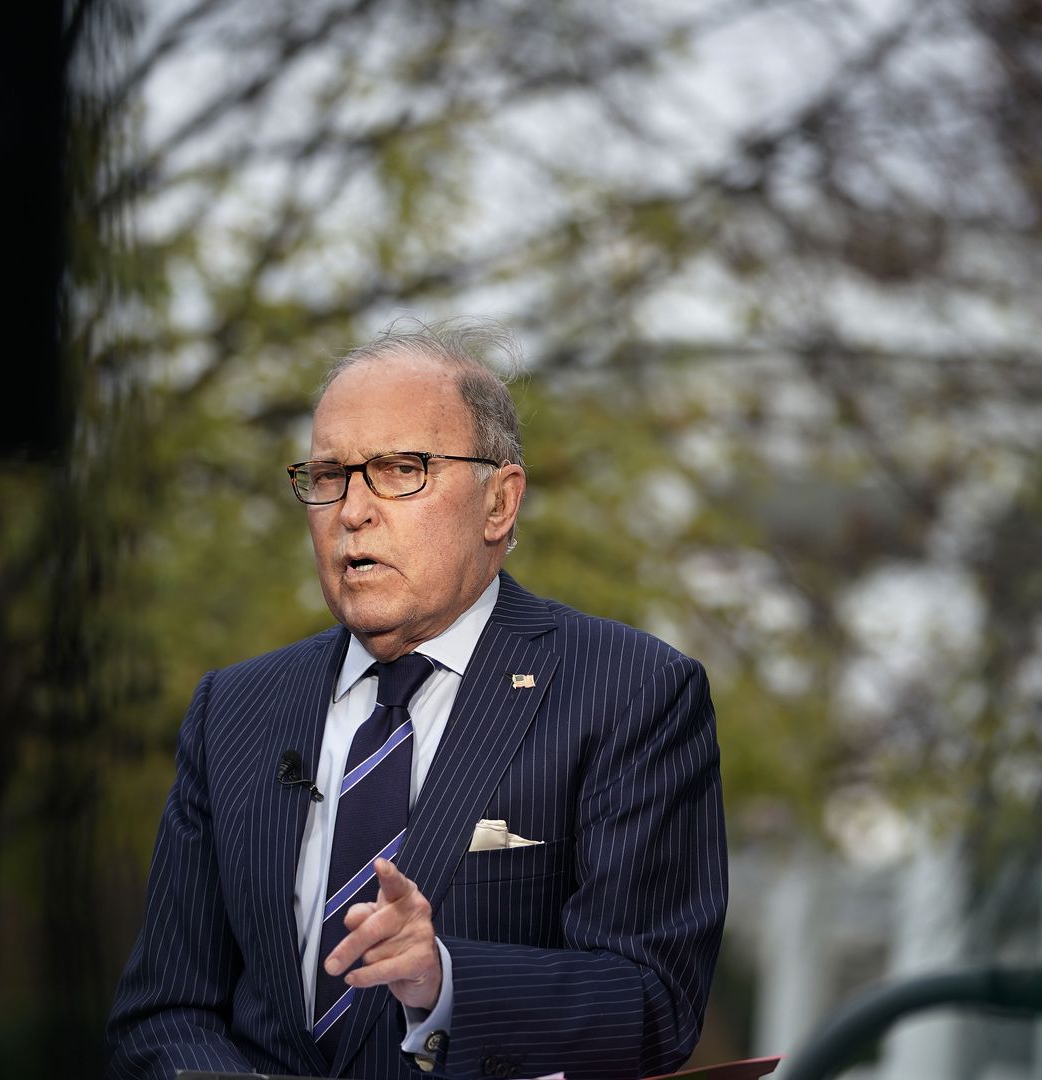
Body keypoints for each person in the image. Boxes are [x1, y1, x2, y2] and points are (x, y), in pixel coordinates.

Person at [107, 318, 727, 1080]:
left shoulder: (633, 693)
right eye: (328, 476)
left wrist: (443, 978)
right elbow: (164, 1010)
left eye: (401, 469)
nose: (353, 510)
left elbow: (653, 1004)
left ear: (498, 504)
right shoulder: (232, 710)